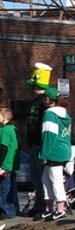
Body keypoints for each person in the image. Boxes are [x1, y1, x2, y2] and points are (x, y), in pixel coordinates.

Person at [39, 87, 72, 221]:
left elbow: (48, 136)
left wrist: (44, 155)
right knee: (45, 179)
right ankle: (48, 207)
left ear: (47, 100)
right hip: (64, 149)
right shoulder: (66, 114)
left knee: (55, 180)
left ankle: (60, 208)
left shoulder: (50, 115)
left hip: (54, 151)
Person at [26, 62, 53, 218]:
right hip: (33, 145)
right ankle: (39, 204)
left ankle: (45, 205)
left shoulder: (44, 103)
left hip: (40, 145)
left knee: (43, 179)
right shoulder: (35, 102)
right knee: (36, 178)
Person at [0, 107, 21, 221]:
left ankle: (6, 211)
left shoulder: (7, 130)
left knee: (2, 188)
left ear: (5, 117)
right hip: (9, 164)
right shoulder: (12, 128)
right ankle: (14, 208)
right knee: (10, 188)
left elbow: (4, 147)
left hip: (5, 164)